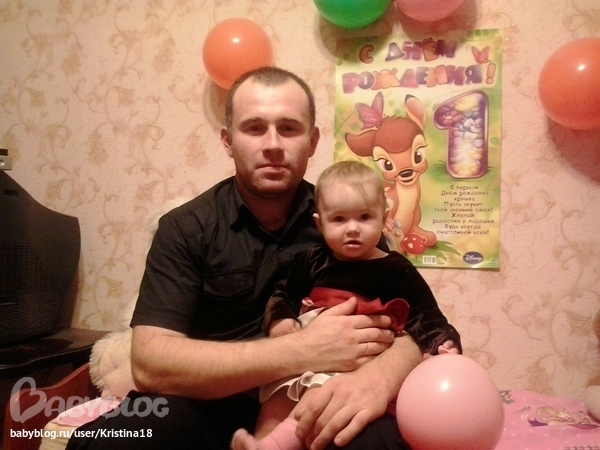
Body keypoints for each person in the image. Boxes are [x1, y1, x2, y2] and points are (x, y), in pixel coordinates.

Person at [66, 67, 424, 450]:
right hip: (202, 406)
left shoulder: (349, 222)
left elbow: (419, 329)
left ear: (313, 140)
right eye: (254, 128)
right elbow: (150, 363)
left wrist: (376, 381)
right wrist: (300, 350)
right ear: (228, 140)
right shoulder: (185, 228)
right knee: (113, 442)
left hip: (312, 402)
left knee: (379, 443)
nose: (273, 144)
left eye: (289, 128)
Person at [230, 161, 461, 450]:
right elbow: (283, 293)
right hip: (305, 352)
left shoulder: (397, 269)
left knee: (317, 401)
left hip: (355, 366)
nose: (352, 229)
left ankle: (272, 447)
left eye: (364, 217)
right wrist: (280, 320)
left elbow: (429, 317)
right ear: (320, 223)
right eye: (339, 219)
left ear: (383, 218)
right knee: (276, 398)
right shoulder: (311, 261)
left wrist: (443, 344)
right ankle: (262, 440)